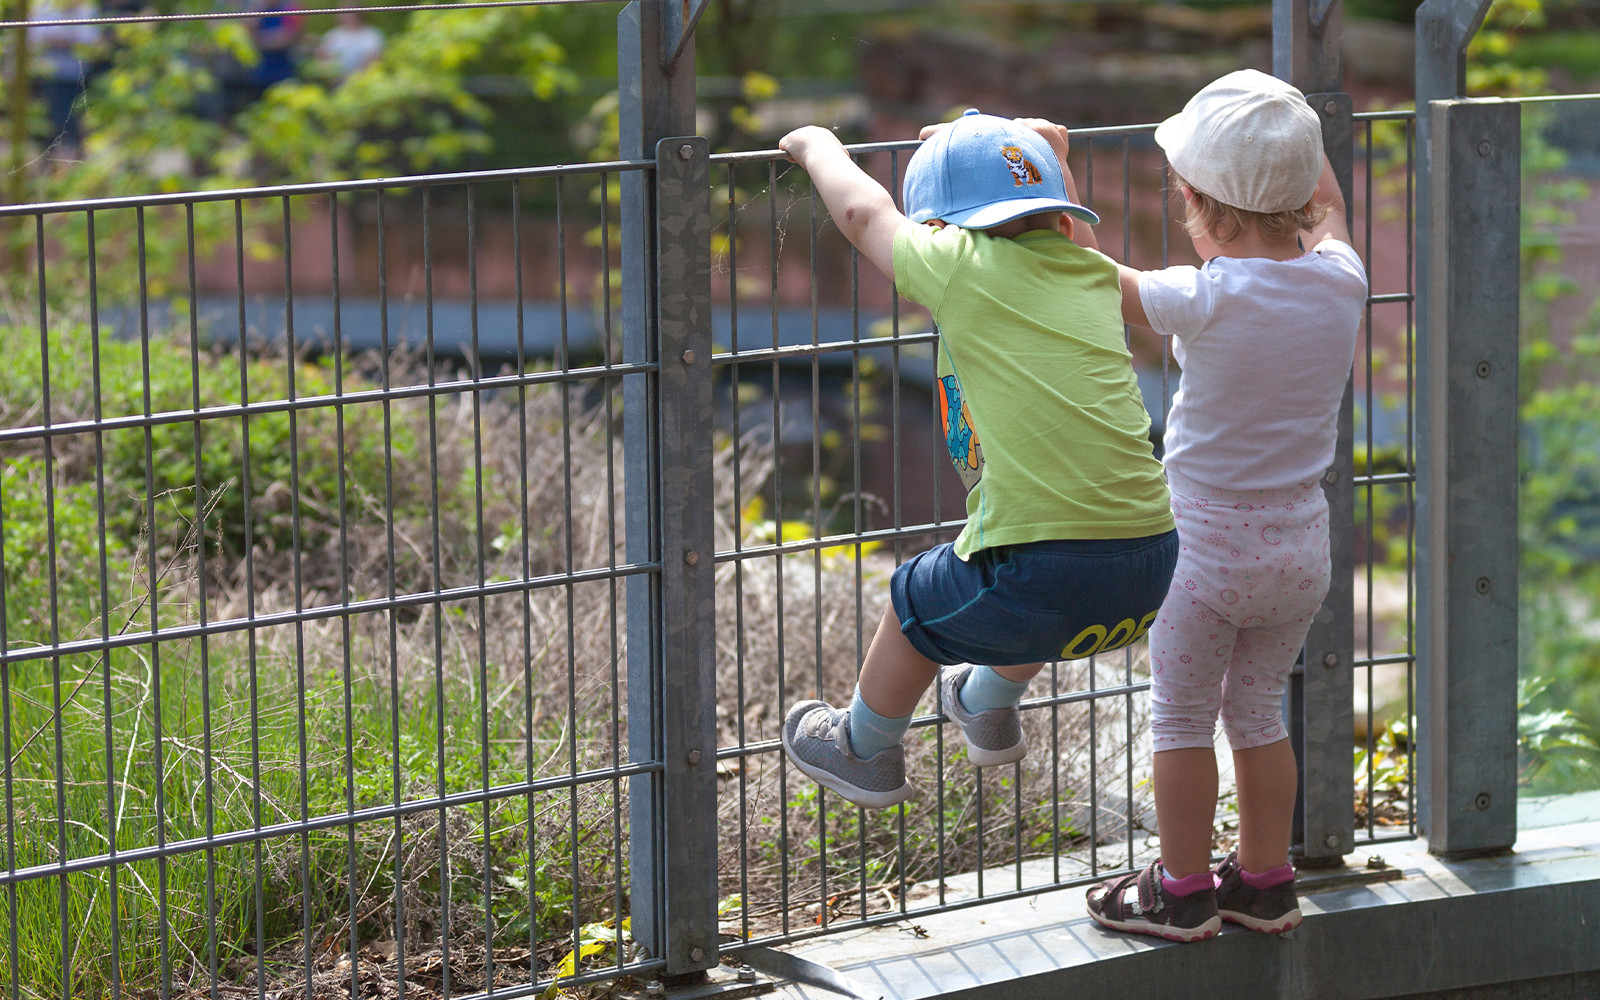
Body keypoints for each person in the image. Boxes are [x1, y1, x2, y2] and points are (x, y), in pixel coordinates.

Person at [777, 111, 1179, 811]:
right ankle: (987, 702)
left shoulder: (957, 263)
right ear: (1059, 217)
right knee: (1023, 584)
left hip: (1050, 574)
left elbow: (859, 207)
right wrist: (1051, 156)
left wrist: (816, 144)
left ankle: (862, 749)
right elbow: (1070, 236)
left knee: (914, 605)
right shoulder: (1089, 271)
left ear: (940, 227)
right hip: (1152, 568)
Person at [1078, 69, 1367, 942]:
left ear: (1203, 206)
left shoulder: (1200, 295)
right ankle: (1266, 882)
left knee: (1179, 717)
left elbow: (1099, 278)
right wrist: (1302, 158)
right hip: (1299, 551)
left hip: (1201, 555)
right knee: (1255, 713)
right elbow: (1334, 212)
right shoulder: (1342, 279)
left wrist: (1046, 227)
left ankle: (1182, 889)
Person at [30, 0, 102, 154]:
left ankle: (75, 157)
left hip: (79, 77)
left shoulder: (87, 9)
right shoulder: (44, 6)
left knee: (77, 121)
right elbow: (33, 38)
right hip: (49, 75)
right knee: (49, 121)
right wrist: (70, 41)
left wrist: (57, 40)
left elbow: (92, 41)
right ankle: (50, 159)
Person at [314, 10, 382, 83]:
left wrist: (357, 75)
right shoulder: (333, 34)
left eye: (350, 14)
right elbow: (321, 56)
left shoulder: (371, 34)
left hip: (365, 80)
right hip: (336, 82)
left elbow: (375, 57)